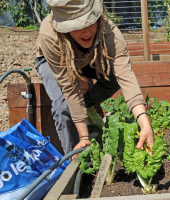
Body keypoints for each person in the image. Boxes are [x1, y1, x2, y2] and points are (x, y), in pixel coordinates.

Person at [35, 0, 154, 156]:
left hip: (87, 56)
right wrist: (84, 137)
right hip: (53, 59)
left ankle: (84, 106)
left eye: (90, 22)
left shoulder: (108, 30)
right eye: (77, 26)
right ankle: (74, 159)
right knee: (63, 107)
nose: (86, 32)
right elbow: (70, 88)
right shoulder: (49, 35)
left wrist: (144, 123)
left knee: (113, 78)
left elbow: (125, 75)